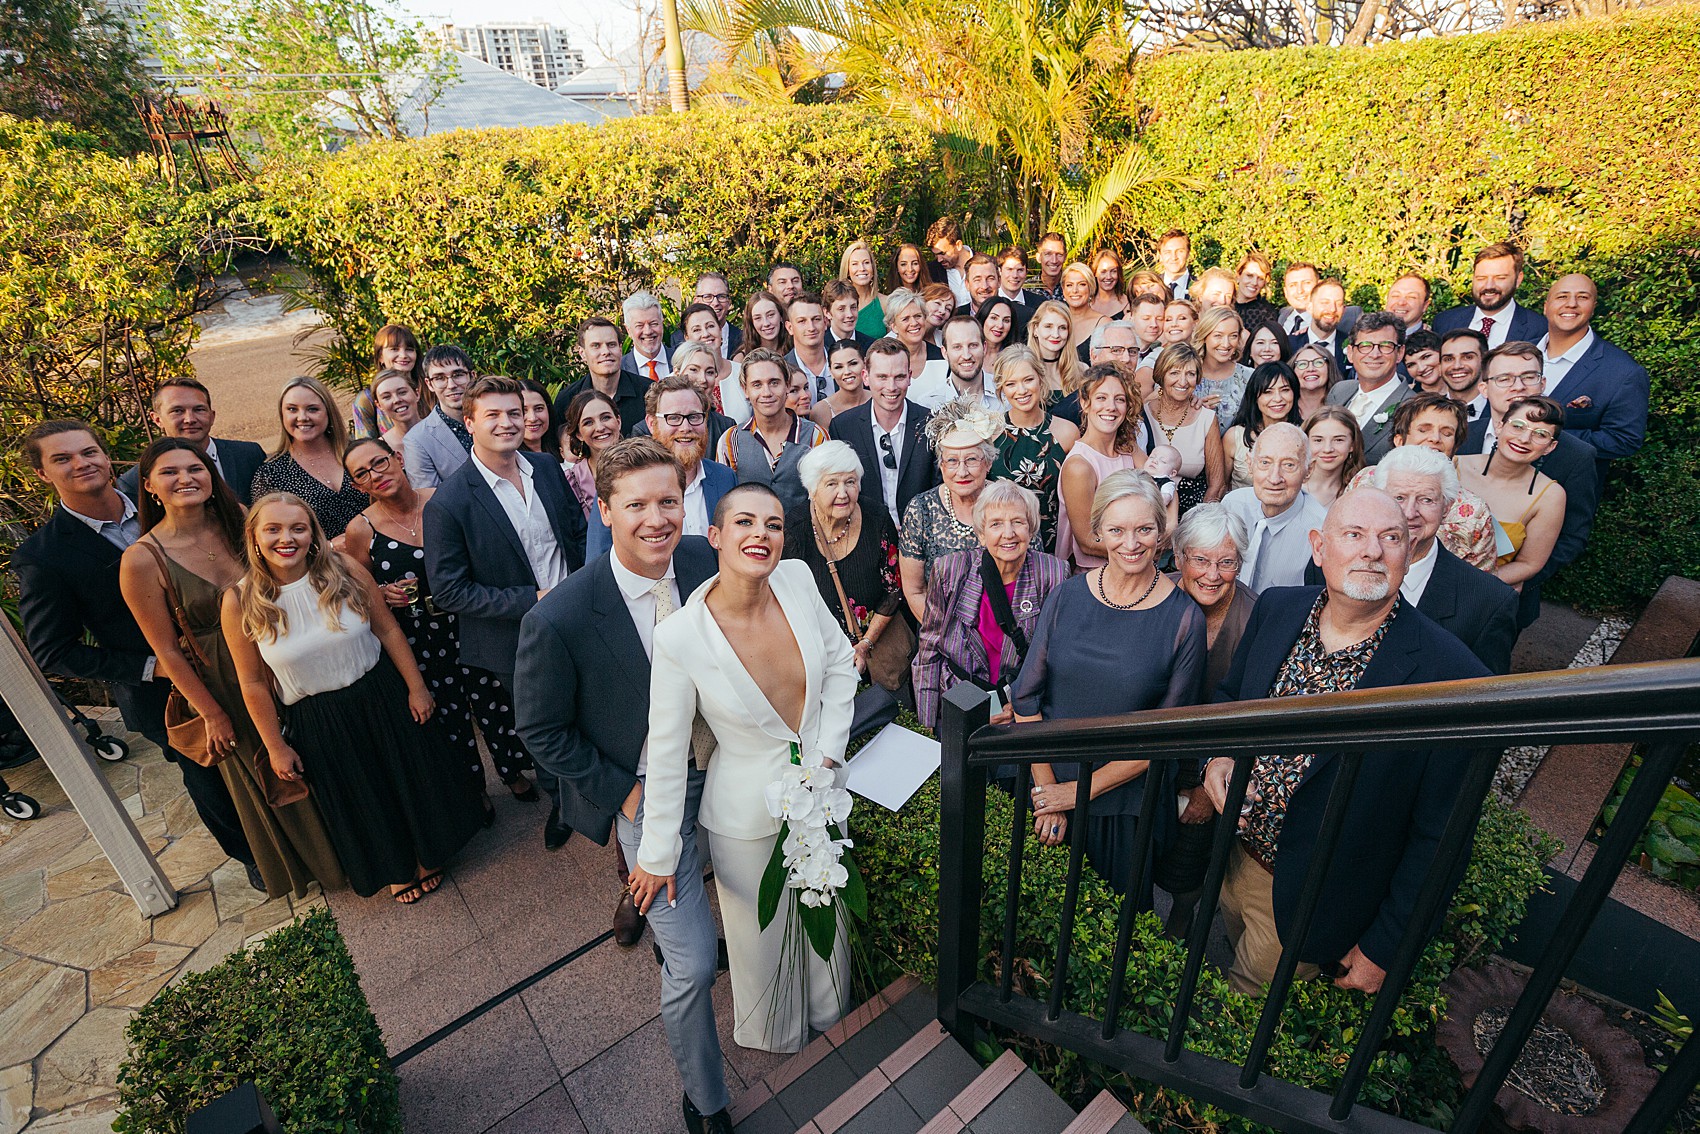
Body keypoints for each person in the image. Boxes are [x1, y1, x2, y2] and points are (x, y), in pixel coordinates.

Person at [513, 439, 733, 1131]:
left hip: (728, 767)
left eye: (668, 500)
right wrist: (629, 798)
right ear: (605, 511)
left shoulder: (707, 558)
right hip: (646, 791)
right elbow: (541, 731)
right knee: (693, 966)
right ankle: (707, 1099)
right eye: (635, 505)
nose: (656, 518)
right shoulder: (560, 616)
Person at [1202, 489, 1490, 995]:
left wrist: (1386, 947)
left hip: (1312, 898)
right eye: (1354, 535)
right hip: (1232, 856)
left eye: (1391, 537)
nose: (1372, 551)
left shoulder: (1452, 678)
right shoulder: (1277, 609)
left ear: (1410, 549)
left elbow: (1441, 837)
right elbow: (1230, 699)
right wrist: (1219, 754)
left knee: (1243, 1012)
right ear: (1319, 547)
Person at [631, 484, 859, 1055]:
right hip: (742, 818)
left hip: (822, 794)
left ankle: (834, 1021)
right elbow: (665, 747)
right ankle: (778, 1042)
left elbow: (839, 665)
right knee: (763, 942)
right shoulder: (680, 636)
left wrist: (827, 755)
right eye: (745, 523)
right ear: (716, 536)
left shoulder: (799, 579)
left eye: (775, 525)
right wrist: (656, 855)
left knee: (825, 919)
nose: (761, 534)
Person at [16, 422, 259, 889]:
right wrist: (154, 668)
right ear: (42, 473)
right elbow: (52, 650)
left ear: (107, 458)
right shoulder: (43, 556)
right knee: (211, 777)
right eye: (62, 459)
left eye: (89, 452)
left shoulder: (167, 495)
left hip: (244, 656)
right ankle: (252, 857)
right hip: (163, 690)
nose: (81, 463)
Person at [221, 493, 478, 904]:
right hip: (316, 715)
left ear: (313, 534)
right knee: (362, 794)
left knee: (408, 776)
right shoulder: (240, 600)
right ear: (253, 536)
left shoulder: (343, 569)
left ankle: (429, 854)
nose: (286, 538)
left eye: (297, 528)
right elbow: (251, 682)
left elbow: (388, 630)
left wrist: (416, 686)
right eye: (273, 529)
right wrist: (275, 745)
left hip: (379, 691)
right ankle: (395, 866)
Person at [120, 439, 345, 898]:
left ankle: (355, 842)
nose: (185, 478)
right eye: (170, 472)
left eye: (195, 468)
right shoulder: (142, 559)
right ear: (149, 486)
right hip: (224, 679)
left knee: (319, 748)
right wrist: (212, 714)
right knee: (275, 771)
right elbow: (167, 651)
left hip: (285, 650)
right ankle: (323, 864)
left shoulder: (238, 519)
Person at [1020, 471, 1208, 896]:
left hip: (1122, 809)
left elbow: (1165, 735)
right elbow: (1027, 697)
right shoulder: (1066, 595)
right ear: (1098, 531)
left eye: (1144, 529)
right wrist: (1049, 789)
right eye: (1118, 529)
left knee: (1107, 939)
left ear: (1162, 533)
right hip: (1044, 782)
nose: (1131, 542)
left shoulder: (1184, 620)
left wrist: (1075, 793)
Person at [426, 375, 586, 851]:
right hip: (515, 637)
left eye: (514, 413)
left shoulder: (546, 468)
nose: (507, 423)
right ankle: (562, 802)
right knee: (542, 724)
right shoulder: (450, 502)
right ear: (469, 422)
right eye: (493, 415)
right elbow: (449, 591)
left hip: (577, 613)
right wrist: (529, 601)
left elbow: (574, 535)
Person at [342, 438, 538, 819]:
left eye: (379, 463)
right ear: (357, 486)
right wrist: (383, 592)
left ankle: (513, 771)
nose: (375, 475)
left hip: (468, 619)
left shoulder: (444, 499)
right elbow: (360, 588)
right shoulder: (361, 530)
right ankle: (474, 788)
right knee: (449, 715)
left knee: (493, 700)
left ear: (398, 458)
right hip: (419, 634)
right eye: (362, 474)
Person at [1458, 342, 1599, 622]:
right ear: (1484, 388)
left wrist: (1518, 577)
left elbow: (1572, 536)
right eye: (1504, 378)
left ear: (1543, 382)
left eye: (1528, 377)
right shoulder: (1458, 436)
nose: (1517, 387)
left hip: (1506, 596)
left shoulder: (1576, 456)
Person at [913, 481, 1067, 730]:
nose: (1008, 533)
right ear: (981, 534)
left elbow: (1057, 657)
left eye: (1018, 522)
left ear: (1031, 530)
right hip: (960, 699)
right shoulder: (951, 571)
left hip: (1020, 705)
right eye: (996, 524)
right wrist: (927, 727)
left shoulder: (1053, 573)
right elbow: (929, 649)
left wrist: (1022, 706)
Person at [1369, 446, 1520, 673]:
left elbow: (1486, 693)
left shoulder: (1489, 601)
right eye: (1398, 497)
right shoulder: (1332, 567)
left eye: (1426, 500)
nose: (1410, 512)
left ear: (1447, 507)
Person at [783, 441, 904, 680]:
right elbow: (787, 605)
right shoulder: (793, 531)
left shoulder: (877, 519)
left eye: (850, 482)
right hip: (819, 657)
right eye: (831, 484)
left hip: (877, 650)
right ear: (812, 489)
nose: (843, 493)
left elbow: (893, 591)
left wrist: (865, 643)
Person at [1353, 393, 1495, 569]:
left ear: (1455, 446)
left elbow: (1480, 584)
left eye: (1447, 433)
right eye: (1424, 429)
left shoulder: (1475, 511)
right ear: (1399, 440)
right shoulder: (1365, 480)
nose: (1435, 438)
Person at [898, 400, 1000, 619]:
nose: (961, 472)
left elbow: (1031, 575)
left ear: (988, 463)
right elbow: (914, 590)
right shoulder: (921, 510)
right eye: (952, 461)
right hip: (940, 636)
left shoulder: (1010, 504)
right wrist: (948, 637)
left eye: (971, 460)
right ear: (941, 465)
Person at [1457, 395, 1569, 592]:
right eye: (1517, 426)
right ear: (1500, 426)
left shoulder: (1550, 496)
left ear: (1550, 447)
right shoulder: (1454, 465)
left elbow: (1529, 564)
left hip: (1480, 591)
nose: (1524, 439)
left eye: (1541, 434)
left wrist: (1470, 584)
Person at [1539, 272, 1650, 467]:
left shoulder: (1623, 371)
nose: (1571, 304)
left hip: (1565, 488)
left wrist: (1543, 438)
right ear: (1546, 307)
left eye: (1582, 297)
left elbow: (1624, 439)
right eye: (1562, 296)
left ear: (1593, 308)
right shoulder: (1517, 354)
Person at [829, 338, 938, 527]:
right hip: (864, 534)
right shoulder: (843, 427)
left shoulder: (931, 423)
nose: (891, 387)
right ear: (865, 377)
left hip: (922, 533)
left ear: (910, 376)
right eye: (882, 377)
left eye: (899, 377)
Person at [250, 376, 368, 542]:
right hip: (321, 565)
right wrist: (329, 549)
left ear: (328, 412)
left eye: (312, 409)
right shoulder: (270, 476)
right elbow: (269, 538)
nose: (302, 417)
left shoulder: (358, 453)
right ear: (282, 415)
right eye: (292, 409)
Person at [117, 377, 266, 505]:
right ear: (157, 419)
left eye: (199, 409)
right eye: (177, 411)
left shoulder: (249, 456)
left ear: (212, 416)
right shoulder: (134, 482)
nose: (190, 419)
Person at [990, 345, 1079, 554]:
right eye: (1011, 384)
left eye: (1028, 380)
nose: (1021, 391)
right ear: (1002, 389)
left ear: (1041, 378)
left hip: (1052, 545)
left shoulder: (1066, 432)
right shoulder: (990, 433)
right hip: (1001, 545)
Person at [714, 349, 825, 514]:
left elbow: (826, 497)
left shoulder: (815, 436)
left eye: (774, 382)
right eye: (757, 385)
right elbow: (723, 504)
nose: (766, 393)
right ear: (745, 390)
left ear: (787, 385)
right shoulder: (731, 440)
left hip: (805, 536)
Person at [1221, 423, 1327, 593]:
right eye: (1265, 462)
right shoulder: (1232, 506)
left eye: (1289, 465)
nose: (1274, 478)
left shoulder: (1321, 529)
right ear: (1250, 464)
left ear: (1308, 470)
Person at [1057, 366, 1144, 570]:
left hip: (1133, 564)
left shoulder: (1129, 449)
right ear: (1085, 403)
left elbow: (1162, 481)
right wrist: (1143, 549)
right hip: (1095, 574)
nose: (1111, 407)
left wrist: (1169, 528)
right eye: (1101, 398)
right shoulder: (1080, 465)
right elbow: (1088, 542)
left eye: (1120, 399)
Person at [1170, 503, 1255, 698]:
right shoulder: (1155, 596)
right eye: (1200, 560)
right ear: (1178, 558)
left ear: (1239, 564)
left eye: (1226, 562)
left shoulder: (1253, 620)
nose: (1212, 575)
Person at [646, 375, 738, 538]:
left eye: (694, 417)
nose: (686, 427)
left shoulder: (725, 478)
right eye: (673, 418)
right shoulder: (627, 483)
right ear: (652, 424)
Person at [1143, 343, 1227, 512]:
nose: (1183, 381)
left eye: (1190, 374)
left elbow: (1216, 485)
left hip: (1193, 510)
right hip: (1146, 507)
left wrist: (1200, 521)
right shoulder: (1142, 413)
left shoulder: (1206, 418)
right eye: (1174, 373)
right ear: (1161, 375)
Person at [1326, 310, 1413, 463]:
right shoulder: (1339, 391)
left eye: (1385, 346)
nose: (1374, 354)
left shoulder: (1414, 408)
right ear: (1351, 353)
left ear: (1400, 353)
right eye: (1365, 345)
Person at [1433, 242, 1548, 348]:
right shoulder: (1444, 322)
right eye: (1481, 278)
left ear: (1518, 279)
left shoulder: (1539, 328)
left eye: (1500, 278)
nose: (1489, 286)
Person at [555, 316, 648, 435]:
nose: (606, 352)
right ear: (582, 353)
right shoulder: (566, 400)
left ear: (620, 349)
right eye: (596, 346)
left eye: (611, 344)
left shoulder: (648, 392)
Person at [562, 390, 624, 559]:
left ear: (618, 421)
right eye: (588, 422)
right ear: (578, 434)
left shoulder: (643, 466)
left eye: (606, 417)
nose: (600, 427)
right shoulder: (570, 481)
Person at [403, 344, 476, 489]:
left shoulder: (497, 418)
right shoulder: (417, 440)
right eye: (439, 378)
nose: (451, 385)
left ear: (472, 376)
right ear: (429, 384)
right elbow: (431, 499)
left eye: (458, 375)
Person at [1223, 362, 1302, 492]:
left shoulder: (1306, 434)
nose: (1277, 398)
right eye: (1268, 392)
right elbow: (1222, 486)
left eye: (1285, 390)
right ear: (1255, 397)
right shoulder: (1234, 436)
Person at [911, 315, 1004, 411]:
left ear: (984, 348)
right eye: (957, 347)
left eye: (973, 345)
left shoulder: (1006, 394)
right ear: (945, 352)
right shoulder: (930, 404)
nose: (966, 355)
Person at [351, 324, 423, 439]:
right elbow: (366, 447)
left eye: (409, 349)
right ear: (380, 356)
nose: (403, 355)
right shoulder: (366, 400)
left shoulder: (430, 388)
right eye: (394, 349)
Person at [667, 342, 737, 450]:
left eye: (709, 372)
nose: (703, 379)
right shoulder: (650, 426)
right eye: (694, 370)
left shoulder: (726, 426)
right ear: (677, 372)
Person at [1193, 307, 1252, 427]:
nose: (1226, 344)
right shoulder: (1187, 374)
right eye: (1218, 336)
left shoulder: (1249, 376)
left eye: (1233, 336)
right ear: (1204, 336)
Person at [1026, 299, 1083, 420]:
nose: (1056, 334)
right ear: (1035, 329)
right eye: (1048, 326)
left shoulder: (1081, 370)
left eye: (1062, 328)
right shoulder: (1023, 369)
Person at [882, 287, 948, 389]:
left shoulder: (942, 357)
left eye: (918, 316)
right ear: (894, 327)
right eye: (905, 319)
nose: (914, 323)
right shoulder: (882, 358)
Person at [1301, 406, 1364, 509]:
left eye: (1338, 440)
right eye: (1318, 440)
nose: (1327, 449)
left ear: (1352, 444)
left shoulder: (1358, 492)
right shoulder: (1291, 486)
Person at [668, 271, 742, 358]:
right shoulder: (678, 339)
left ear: (729, 302)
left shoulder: (743, 339)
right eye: (708, 297)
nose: (715, 303)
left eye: (721, 296)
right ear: (696, 301)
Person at [1294, 278, 1353, 381]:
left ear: (1344, 310)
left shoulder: (1352, 345)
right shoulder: (1290, 345)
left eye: (1338, 304)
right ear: (1310, 307)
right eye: (1325, 303)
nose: (1332, 309)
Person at [810, 339, 871, 431]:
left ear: (865, 364)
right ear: (830, 371)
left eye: (853, 363)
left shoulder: (879, 400)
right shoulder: (821, 411)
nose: (847, 372)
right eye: (838, 367)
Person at [784, 291, 833, 404]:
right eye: (802, 321)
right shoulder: (781, 371)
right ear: (790, 327)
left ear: (825, 323)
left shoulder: (843, 363)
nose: (811, 327)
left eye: (816, 319)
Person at [840, 238, 888, 340]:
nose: (862, 268)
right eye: (854, 264)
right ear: (847, 270)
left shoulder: (886, 303)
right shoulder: (837, 305)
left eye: (866, 262)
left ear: (873, 267)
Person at [1438, 328, 1490, 421]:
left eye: (1467, 357)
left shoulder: (1502, 409)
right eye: (1449, 359)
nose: (1457, 366)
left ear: (1484, 361)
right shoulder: (1426, 411)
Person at [372, 369, 424, 458]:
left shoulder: (441, 431)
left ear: (417, 393)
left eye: (402, 392)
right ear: (379, 405)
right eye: (387, 397)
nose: (397, 400)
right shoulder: (379, 450)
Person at [622, 291, 671, 382]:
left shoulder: (682, 361)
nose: (648, 331)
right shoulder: (620, 369)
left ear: (662, 324)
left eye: (653, 324)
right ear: (628, 330)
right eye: (639, 325)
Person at [1060, 262, 1105, 356]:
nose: (1075, 290)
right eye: (1069, 285)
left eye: (1082, 284)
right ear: (1063, 289)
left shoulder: (1104, 324)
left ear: (1091, 287)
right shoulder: (1057, 321)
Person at [927, 216, 974, 304]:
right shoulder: (931, 271)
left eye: (942, 253)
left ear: (958, 245)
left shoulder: (986, 264)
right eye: (936, 255)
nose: (939, 260)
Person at [1291, 341, 1342, 422]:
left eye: (1318, 362)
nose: (1310, 369)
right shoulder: (1286, 407)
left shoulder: (1343, 404)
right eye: (1302, 364)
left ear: (1330, 368)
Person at [1232, 251, 1279, 336]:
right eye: (1249, 275)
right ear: (1238, 276)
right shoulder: (1225, 304)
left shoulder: (1267, 313)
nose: (1254, 282)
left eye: (1260, 278)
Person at [737, 290, 792, 361]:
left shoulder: (796, 350)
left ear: (781, 316)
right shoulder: (741, 358)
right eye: (758, 318)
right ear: (751, 323)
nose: (766, 323)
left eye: (771, 315)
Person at [519, 378, 559, 459]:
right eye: (523, 410)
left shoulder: (565, 449)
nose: (532, 418)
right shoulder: (509, 460)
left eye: (539, 408)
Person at [955, 253, 1002, 320]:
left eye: (990, 278)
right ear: (967, 284)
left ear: (999, 281)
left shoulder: (1019, 316)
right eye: (977, 280)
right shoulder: (955, 317)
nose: (984, 286)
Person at [977, 295, 1018, 368]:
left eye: (1006, 320)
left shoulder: (1016, 359)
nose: (1000, 325)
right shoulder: (968, 353)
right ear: (983, 318)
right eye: (994, 318)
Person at [1091, 249, 1131, 320]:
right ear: (1095, 273)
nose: (1108, 277)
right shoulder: (1086, 303)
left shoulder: (1128, 304)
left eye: (1113, 271)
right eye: (1103, 272)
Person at [1157, 229, 1194, 300]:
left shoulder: (1200, 287)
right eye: (1168, 252)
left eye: (1180, 251)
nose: (1174, 257)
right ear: (1160, 255)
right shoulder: (1151, 287)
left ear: (1188, 253)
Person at [1404, 329, 1443, 393]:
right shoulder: (1408, 400)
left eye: (1425, 357)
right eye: (1411, 365)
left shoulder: (1463, 388)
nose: (1421, 369)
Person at [1034, 231, 1068, 299]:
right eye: (1048, 254)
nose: (1054, 260)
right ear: (1038, 257)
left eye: (1059, 254)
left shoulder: (1073, 289)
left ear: (1065, 257)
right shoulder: (1027, 289)